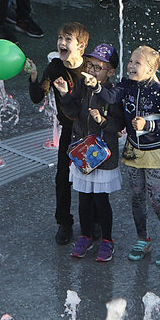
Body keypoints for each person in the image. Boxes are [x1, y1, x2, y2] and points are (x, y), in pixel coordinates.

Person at [86, 45, 160, 265]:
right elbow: (111, 96)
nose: (130, 65)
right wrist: (97, 86)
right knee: (137, 198)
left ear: (150, 69)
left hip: (155, 154)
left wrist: (148, 125)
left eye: (137, 63)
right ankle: (143, 239)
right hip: (132, 151)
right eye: (130, 61)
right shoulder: (127, 85)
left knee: (157, 200)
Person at [54, 44, 124, 262]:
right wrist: (65, 94)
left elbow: (118, 124)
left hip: (102, 156)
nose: (92, 71)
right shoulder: (83, 87)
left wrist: (102, 121)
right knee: (84, 199)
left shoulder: (112, 93)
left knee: (101, 201)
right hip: (82, 152)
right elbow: (73, 112)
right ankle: (85, 236)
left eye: (99, 67)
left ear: (110, 72)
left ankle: (107, 240)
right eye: (90, 65)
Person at [25, 21, 89, 245]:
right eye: (60, 38)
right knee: (63, 178)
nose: (62, 42)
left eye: (68, 39)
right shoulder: (54, 68)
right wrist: (34, 76)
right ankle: (64, 222)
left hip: (90, 132)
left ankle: (94, 222)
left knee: (92, 178)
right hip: (69, 132)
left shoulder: (91, 67)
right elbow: (37, 97)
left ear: (81, 46)